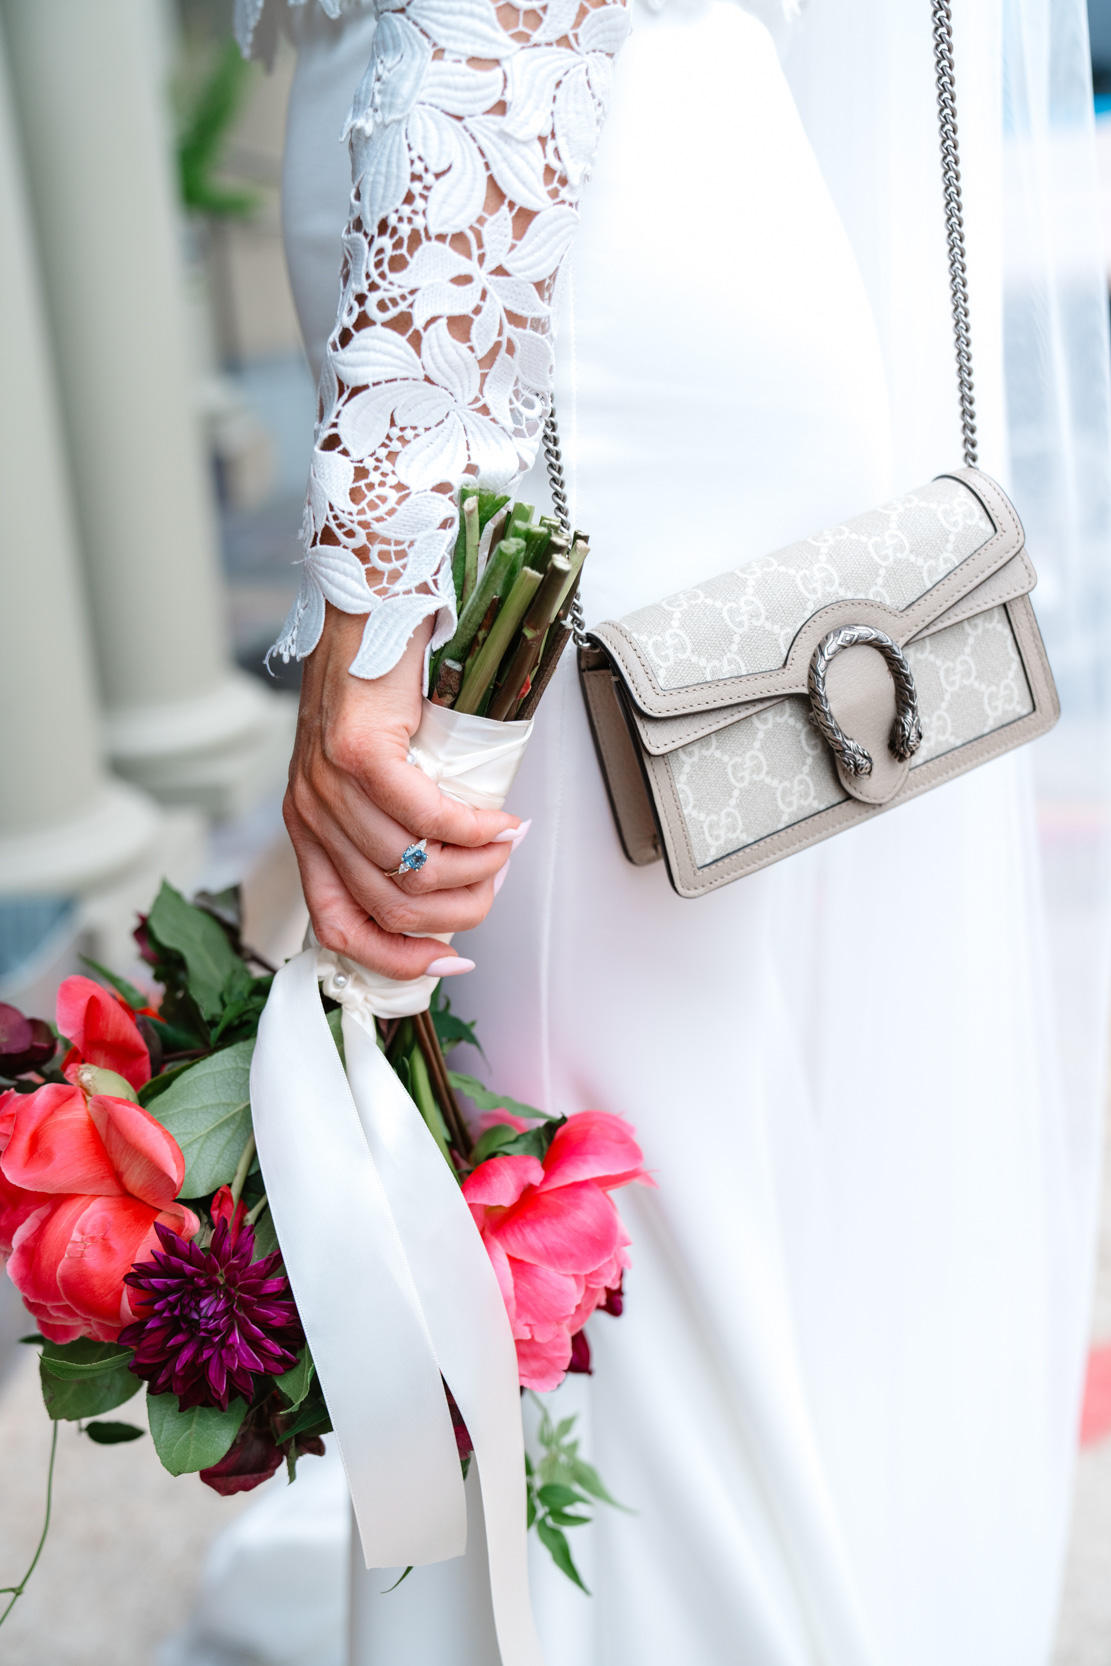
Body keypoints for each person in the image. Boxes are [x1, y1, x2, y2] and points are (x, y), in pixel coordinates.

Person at [179, 2, 1111, 1662]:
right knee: (601, 1157)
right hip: (527, 257)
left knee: (576, 1189)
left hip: (555, 308)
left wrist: (371, 616)